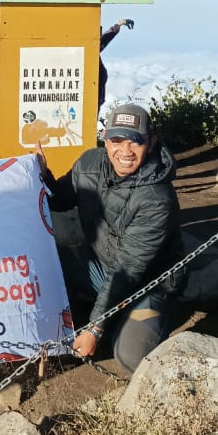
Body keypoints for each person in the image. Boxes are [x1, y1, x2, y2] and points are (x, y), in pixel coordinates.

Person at [37, 102, 182, 373]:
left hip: (146, 284)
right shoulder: (89, 162)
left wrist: (95, 329)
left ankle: (135, 318)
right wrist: (43, 176)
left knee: (130, 357)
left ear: (151, 142)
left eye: (136, 141)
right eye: (117, 140)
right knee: (46, 267)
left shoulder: (156, 199)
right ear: (105, 138)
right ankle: (97, 316)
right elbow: (60, 201)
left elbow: (128, 270)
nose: (125, 151)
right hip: (101, 268)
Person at [98, 17, 135, 111]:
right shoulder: (90, 49)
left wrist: (120, 24)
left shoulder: (94, 47)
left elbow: (107, 37)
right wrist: (120, 24)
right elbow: (106, 37)